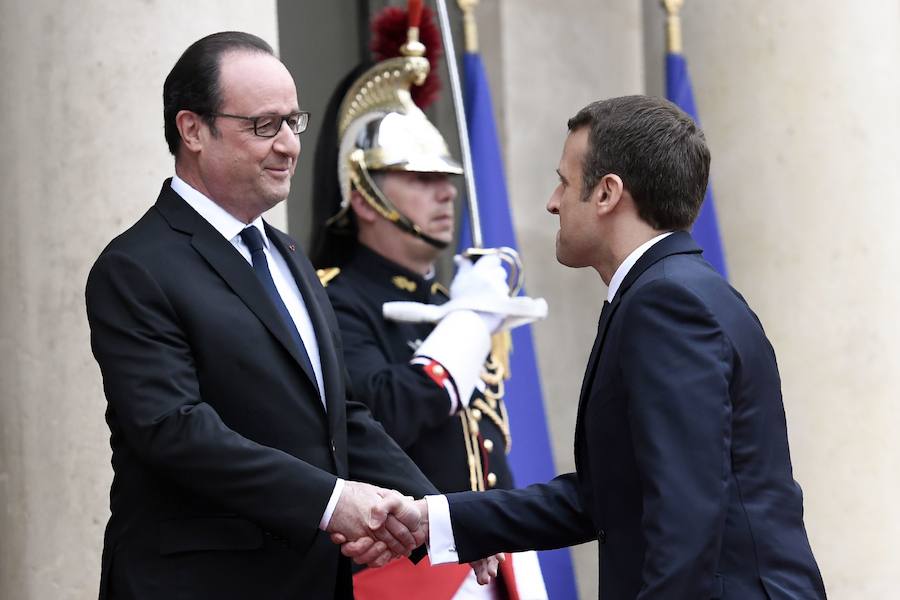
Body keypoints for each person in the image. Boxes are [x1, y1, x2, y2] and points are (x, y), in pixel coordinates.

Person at [343, 95, 828, 599]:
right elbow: (608, 498)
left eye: (565, 182)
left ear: (606, 194)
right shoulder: (673, 289)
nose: (553, 202)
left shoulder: (665, 302)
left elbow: (686, 513)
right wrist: (434, 519)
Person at [84, 31, 437, 600]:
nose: (289, 146)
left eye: (293, 121)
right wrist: (331, 503)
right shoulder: (135, 266)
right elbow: (174, 430)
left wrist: (436, 515)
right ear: (192, 129)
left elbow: (338, 414)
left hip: (313, 581)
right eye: (263, 126)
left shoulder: (288, 255)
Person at [310, 8, 548, 599]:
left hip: (490, 565)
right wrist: (468, 323)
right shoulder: (333, 299)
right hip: (406, 577)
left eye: (446, 175)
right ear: (364, 196)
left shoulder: (445, 298)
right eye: (419, 176)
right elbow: (385, 410)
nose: (446, 190)